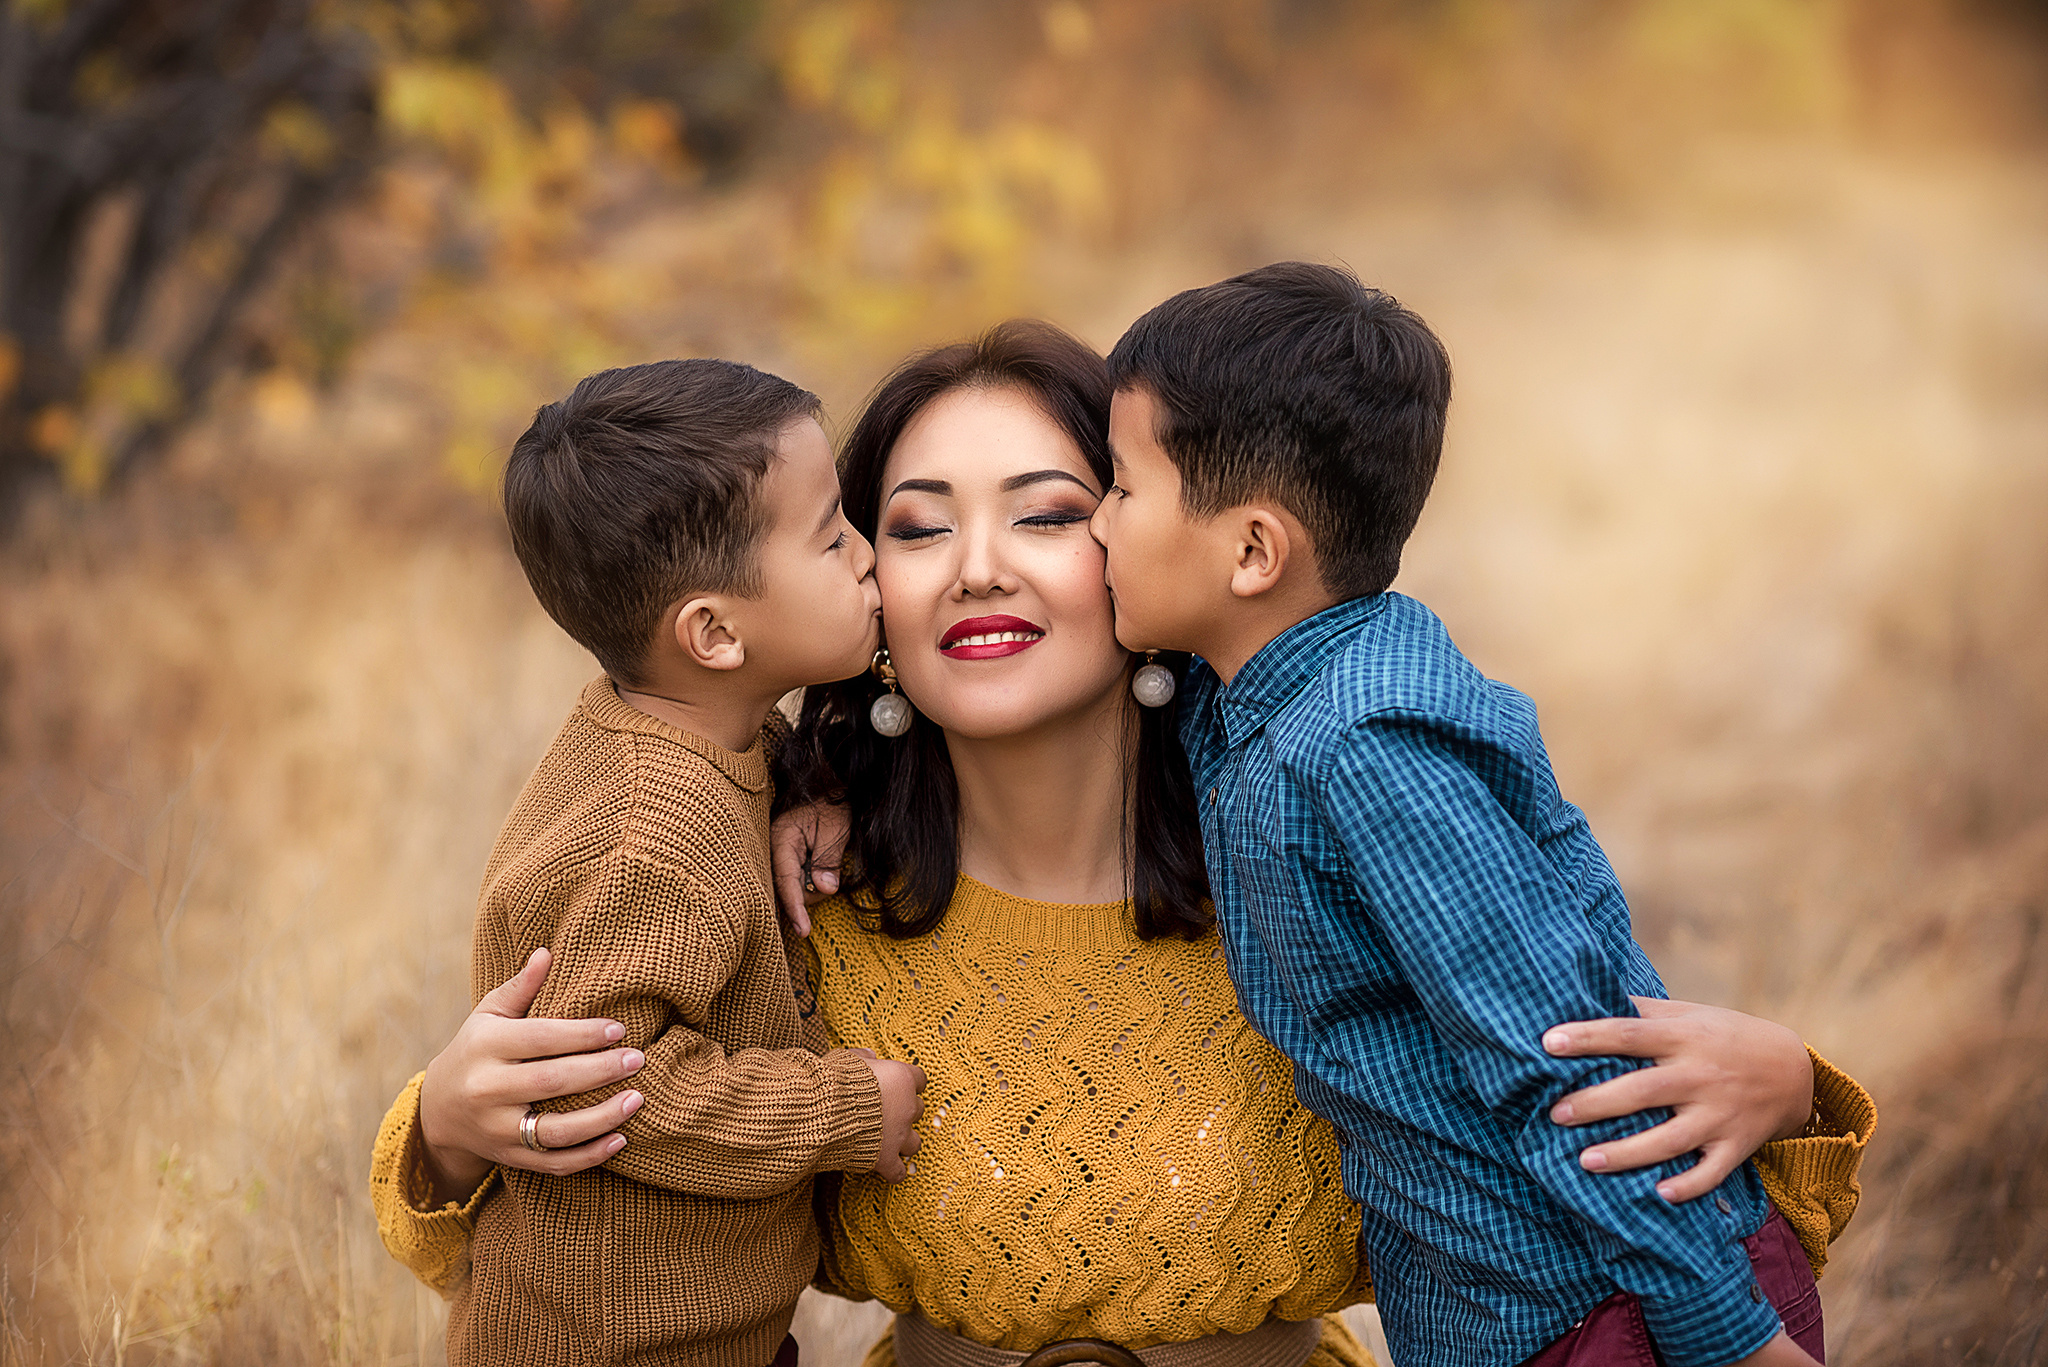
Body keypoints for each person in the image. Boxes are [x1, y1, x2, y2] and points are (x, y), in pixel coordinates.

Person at [370, 325, 1873, 1367]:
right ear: (858, 594)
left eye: (1048, 510)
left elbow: (1573, 1111)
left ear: (1164, 550)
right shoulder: (791, 890)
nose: (977, 567)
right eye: (906, 524)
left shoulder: (1316, 865)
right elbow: (600, 1272)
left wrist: (1789, 1079)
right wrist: (444, 1127)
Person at [1088, 263, 1856, 1367]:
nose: (1098, 527)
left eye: (1118, 488)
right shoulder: (1263, 689)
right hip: (1500, 1316)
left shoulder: (1365, 749)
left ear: (1252, 551)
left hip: (1606, 1308)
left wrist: (1727, 1337)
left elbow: (1560, 1060)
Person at [368, 358, 927, 1367]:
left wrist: (813, 776)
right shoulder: (651, 839)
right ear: (714, 632)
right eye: (831, 536)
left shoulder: (691, 737)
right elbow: (616, 1084)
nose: (864, 555)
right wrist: (844, 1107)